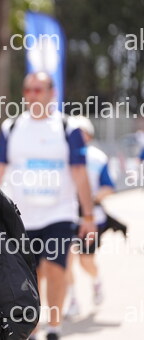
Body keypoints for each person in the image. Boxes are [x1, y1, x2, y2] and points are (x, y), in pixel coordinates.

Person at [0, 72, 96, 340]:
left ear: (52, 93)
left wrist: (88, 216)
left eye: (38, 89)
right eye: (28, 90)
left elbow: (80, 172)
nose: (33, 95)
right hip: (21, 217)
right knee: (30, 279)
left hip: (59, 214)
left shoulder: (67, 128)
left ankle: (54, 330)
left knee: (56, 269)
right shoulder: (12, 127)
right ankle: (33, 335)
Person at [64, 116, 116, 317]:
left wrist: (90, 200)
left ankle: (96, 281)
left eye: (80, 133)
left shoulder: (98, 158)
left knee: (85, 261)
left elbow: (108, 187)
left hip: (92, 218)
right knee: (65, 261)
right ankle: (73, 301)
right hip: (67, 216)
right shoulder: (62, 155)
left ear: (89, 135)